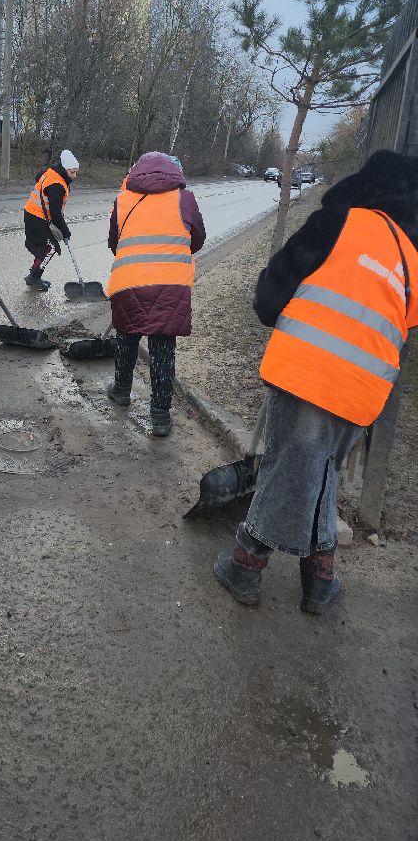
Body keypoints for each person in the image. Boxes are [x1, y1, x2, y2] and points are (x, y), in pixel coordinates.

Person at [214, 149, 418, 614]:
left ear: (366, 185)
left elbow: (269, 297)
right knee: (322, 472)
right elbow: (405, 324)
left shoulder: (337, 223)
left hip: (308, 374)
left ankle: (246, 564)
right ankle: (319, 581)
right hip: (365, 393)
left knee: (286, 469)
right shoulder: (411, 257)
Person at [106, 152, 206, 436]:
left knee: (126, 337)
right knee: (163, 349)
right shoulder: (185, 199)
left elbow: (114, 241)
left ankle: (122, 390)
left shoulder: (123, 198)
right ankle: (160, 416)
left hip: (130, 280)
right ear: (174, 173)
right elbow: (197, 237)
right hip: (171, 282)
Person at [23, 150, 79, 291]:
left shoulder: (53, 172)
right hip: (37, 217)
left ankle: (34, 274)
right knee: (51, 247)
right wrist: (66, 232)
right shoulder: (57, 185)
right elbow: (55, 214)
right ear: (65, 169)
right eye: (72, 172)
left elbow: (39, 177)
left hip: (34, 214)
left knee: (45, 247)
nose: (74, 176)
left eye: (76, 172)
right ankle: (34, 277)